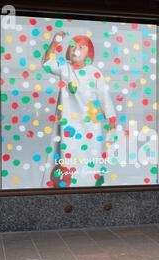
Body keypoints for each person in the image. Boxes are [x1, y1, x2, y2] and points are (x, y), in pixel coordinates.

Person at [41, 32, 117, 187]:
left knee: (88, 159)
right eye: (72, 46)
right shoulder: (65, 68)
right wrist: (55, 43)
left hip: (90, 126)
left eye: (81, 47)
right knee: (66, 157)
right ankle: (66, 187)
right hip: (68, 124)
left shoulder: (94, 72)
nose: (75, 49)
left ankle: (89, 187)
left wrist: (111, 120)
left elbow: (104, 97)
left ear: (89, 53)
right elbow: (47, 63)